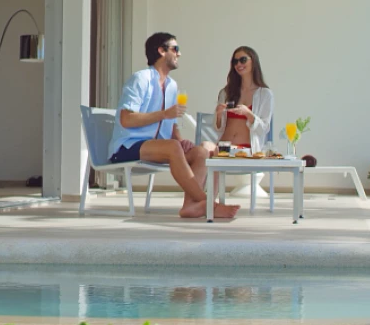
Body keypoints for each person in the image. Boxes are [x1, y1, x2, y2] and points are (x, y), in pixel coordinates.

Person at [109, 32, 238, 219]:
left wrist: (180, 140)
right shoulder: (140, 79)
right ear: (161, 51)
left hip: (160, 147)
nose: (179, 54)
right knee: (172, 146)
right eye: (175, 49)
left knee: (200, 151)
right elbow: (126, 119)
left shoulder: (172, 85)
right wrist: (164, 115)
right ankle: (209, 203)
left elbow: (172, 123)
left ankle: (190, 206)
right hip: (127, 146)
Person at [206, 46, 274, 153]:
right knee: (203, 147)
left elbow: (264, 128)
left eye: (243, 60)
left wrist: (248, 114)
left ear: (253, 61)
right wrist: (218, 114)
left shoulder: (265, 94)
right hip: (223, 147)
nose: (238, 64)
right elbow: (218, 128)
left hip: (246, 150)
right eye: (235, 61)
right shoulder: (226, 92)